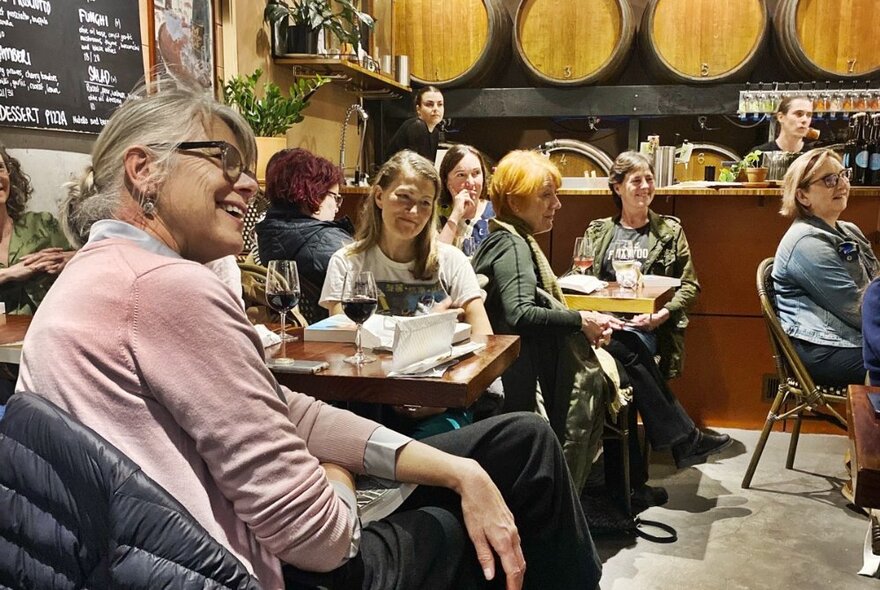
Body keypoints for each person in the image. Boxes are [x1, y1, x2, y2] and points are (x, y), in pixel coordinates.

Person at [13, 81, 601, 590]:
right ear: (143, 171)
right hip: (255, 569)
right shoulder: (163, 286)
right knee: (514, 484)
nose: (248, 186)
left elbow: (284, 407)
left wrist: (456, 470)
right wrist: (339, 472)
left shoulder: (93, 272)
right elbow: (322, 539)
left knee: (517, 443)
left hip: (159, 555)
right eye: (225, 160)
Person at [471, 150, 627, 493]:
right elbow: (520, 313)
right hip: (515, 379)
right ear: (513, 202)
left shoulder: (502, 238)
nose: (556, 204)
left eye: (555, 194)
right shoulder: (512, 246)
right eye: (545, 195)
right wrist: (580, 320)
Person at [320, 150, 493, 438]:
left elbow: (485, 342)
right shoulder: (347, 262)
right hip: (368, 400)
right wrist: (425, 327)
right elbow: (343, 338)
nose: (413, 212)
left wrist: (440, 398)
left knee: (431, 448)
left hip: (441, 401)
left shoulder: (451, 261)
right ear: (378, 196)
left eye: (425, 203)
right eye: (404, 197)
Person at [584, 151, 731, 476]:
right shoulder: (598, 231)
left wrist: (661, 314)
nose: (645, 186)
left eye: (649, 179)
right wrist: (594, 314)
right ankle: (680, 441)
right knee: (628, 352)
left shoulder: (669, 232)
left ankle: (637, 478)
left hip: (646, 327)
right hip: (603, 325)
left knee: (632, 345)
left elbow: (690, 287)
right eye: (636, 180)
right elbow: (580, 278)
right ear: (617, 186)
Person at [774, 147, 878, 387]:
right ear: (802, 196)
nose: (842, 185)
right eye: (830, 180)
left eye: (843, 175)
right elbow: (856, 309)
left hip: (857, 337)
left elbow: (876, 288)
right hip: (825, 349)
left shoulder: (849, 230)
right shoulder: (806, 242)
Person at [256, 148, 354, 323]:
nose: (338, 207)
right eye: (335, 197)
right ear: (313, 193)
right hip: (334, 334)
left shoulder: (268, 233)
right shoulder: (327, 241)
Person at [0, 145, 74, 316]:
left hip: (44, 334)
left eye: (0, 168)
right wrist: (10, 273)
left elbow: (92, 259)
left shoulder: (41, 225)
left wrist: (70, 258)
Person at [437, 144, 494, 250]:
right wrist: (455, 215)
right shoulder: (435, 215)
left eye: (476, 173)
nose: (470, 183)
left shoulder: (497, 214)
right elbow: (437, 258)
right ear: (446, 180)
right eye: (461, 175)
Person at [385, 86, 444, 164]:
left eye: (440, 104)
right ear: (418, 109)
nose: (436, 108)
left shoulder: (435, 133)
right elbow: (417, 168)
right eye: (429, 104)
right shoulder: (417, 126)